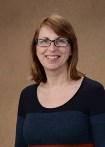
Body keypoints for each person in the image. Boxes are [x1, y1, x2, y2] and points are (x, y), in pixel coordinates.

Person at [14, 14, 105, 147]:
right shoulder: (26, 96)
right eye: (44, 41)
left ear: (71, 49)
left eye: (60, 41)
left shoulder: (93, 92)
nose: (51, 48)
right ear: (36, 49)